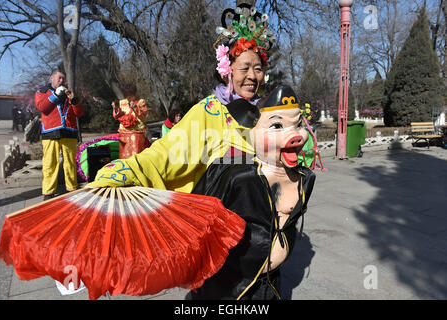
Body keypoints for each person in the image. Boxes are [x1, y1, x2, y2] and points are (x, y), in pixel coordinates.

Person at [87, 3, 275, 193]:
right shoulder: (210, 112)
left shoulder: (268, 112)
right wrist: (130, 170)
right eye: (244, 68)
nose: (252, 76)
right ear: (227, 71)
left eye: (258, 69)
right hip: (224, 215)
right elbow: (169, 153)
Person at [189, 84, 316, 300]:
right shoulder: (234, 176)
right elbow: (198, 221)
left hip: (272, 284)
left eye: (297, 125)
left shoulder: (305, 178)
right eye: (277, 125)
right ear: (252, 127)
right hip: (230, 288)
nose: (294, 135)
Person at [35, 69, 84, 201]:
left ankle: (72, 188)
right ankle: (48, 192)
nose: (62, 81)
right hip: (50, 132)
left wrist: (74, 100)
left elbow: (79, 113)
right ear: (52, 77)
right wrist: (55, 95)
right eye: (59, 78)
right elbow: (42, 108)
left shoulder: (70, 93)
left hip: (69, 131)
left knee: (70, 163)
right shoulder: (42, 92)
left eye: (63, 79)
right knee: (50, 163)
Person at [112, 83, 150, 159]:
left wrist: (135, 108)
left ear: (134, 93)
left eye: (130, 95)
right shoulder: (122, 102)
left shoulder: (141, 102)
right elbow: (117, 116)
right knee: (124, 154)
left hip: (136, 133)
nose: (128, 98)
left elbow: (143, 116)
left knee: (136, 154)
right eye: (126, 96)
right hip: (124, 133)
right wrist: (116, 108)